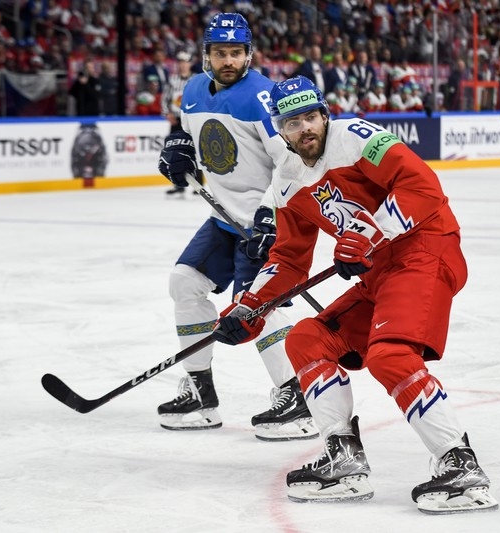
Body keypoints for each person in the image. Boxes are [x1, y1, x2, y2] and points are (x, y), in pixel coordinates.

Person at [210, 75, 499, 514]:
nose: (305, 128)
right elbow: (289, 260)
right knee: (306, 340)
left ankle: (460, 465)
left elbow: (423, 187)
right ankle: (343, 459)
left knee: (390, 354)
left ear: (325, 115)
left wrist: (367, 234)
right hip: (380, 272)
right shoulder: (286, 181)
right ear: (280, 130)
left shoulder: (357, 137)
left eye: (311, 117)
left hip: (425, 249)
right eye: (292, 122)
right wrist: (248, 307)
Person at [156, 13, 316, 441]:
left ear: (249, 54)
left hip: (271, 220)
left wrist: (270, 214)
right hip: (225, 219)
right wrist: (177, 147)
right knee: (184, 281)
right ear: (206, 55)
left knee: (259, 306)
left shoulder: (263, 97)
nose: (229, 60)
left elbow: (292, 162)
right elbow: (189, 132)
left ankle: (296, 399)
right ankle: (200, 394)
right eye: (220, 53)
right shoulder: (192, 90)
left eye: (236, 53)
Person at [161, 51, 196, 196]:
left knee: (195, 151)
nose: (183, 65)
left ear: (190, 64)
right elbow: (165, 98)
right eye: (180, 62)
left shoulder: (195, 80)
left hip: (191, 120)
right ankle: (178, 183)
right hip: (176, 119)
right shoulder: (172, 79)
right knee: (174, 151)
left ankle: (197, 184)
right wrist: (166, 113)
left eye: (185, 62)